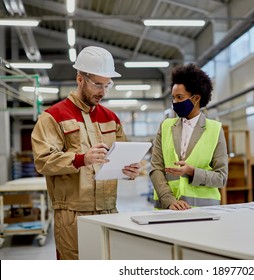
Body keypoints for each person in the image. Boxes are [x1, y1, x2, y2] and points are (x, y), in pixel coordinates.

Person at [31, 46, 141, 260]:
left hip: (109, 210)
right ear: (79, 78)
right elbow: (43, 161)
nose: (102, 91)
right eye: (97, 84)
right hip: (73, 215)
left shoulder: (112, 118)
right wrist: (82, 159)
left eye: (107, 85)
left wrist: (130, 170)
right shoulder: (53, 117)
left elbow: (123, 157)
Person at [150, 63, 228, 210]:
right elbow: (156, 169)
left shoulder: (215, 129)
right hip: (168, 209)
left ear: (196, 98)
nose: (175, 103)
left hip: (204, 211)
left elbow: (221, 178)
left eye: (180, 97)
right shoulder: (165, 126)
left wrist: (192, 172)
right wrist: (169, 200)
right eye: (173, 98)